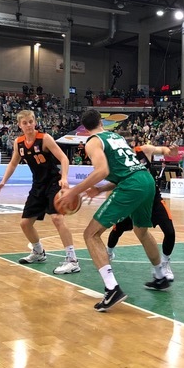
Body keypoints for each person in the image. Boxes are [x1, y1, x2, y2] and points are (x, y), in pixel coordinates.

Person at [58, 109, 169, 312]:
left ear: (84, 129)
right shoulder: (116, 137)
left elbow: (102, 171)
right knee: (142, 231)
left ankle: (112, 288)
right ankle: (160, 276)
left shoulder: (93, 141)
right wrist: (100, 189)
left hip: (132, 185)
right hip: (146, 180)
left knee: (90, 234)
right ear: (101, 122)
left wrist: (73, 191)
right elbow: (126, 170)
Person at [0, 110, 80, 275]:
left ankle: (72, 260)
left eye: (30, 122)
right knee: (25, 224)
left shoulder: (44, 138)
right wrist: (3, 181)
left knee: (57, 218)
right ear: (19, 125)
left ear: (35, 122)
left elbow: (64, 158)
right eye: (24, 123)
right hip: (38, 185)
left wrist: (64, 177)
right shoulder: (18, 143)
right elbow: (13, 163)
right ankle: (38, 252)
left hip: (53, 182)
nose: (28, 125)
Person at [106, 140, 179, 281]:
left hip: (153, 198)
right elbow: (115, 182)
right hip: (133, 200)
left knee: (170, 231)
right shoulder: (118, 160)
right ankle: (109, 253)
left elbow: (164, 150)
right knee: (117, 229)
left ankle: (164, 263)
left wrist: (172, 153)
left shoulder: (144, 150)